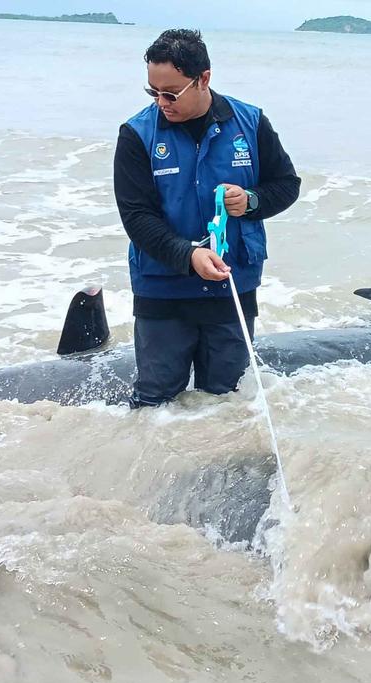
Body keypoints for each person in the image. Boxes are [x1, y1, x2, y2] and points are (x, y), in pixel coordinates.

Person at [113, 28, 300, 408]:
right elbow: (136, 216)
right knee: (155, 403)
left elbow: (286, 184)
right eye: (153, 92)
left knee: (227, 404)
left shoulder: (250, 122)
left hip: (232, 285)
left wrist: (251, 201)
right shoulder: (137, 134)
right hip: (163, 289)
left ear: (204, 79)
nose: (161, 102)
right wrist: (188, 255)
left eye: (171, 93)